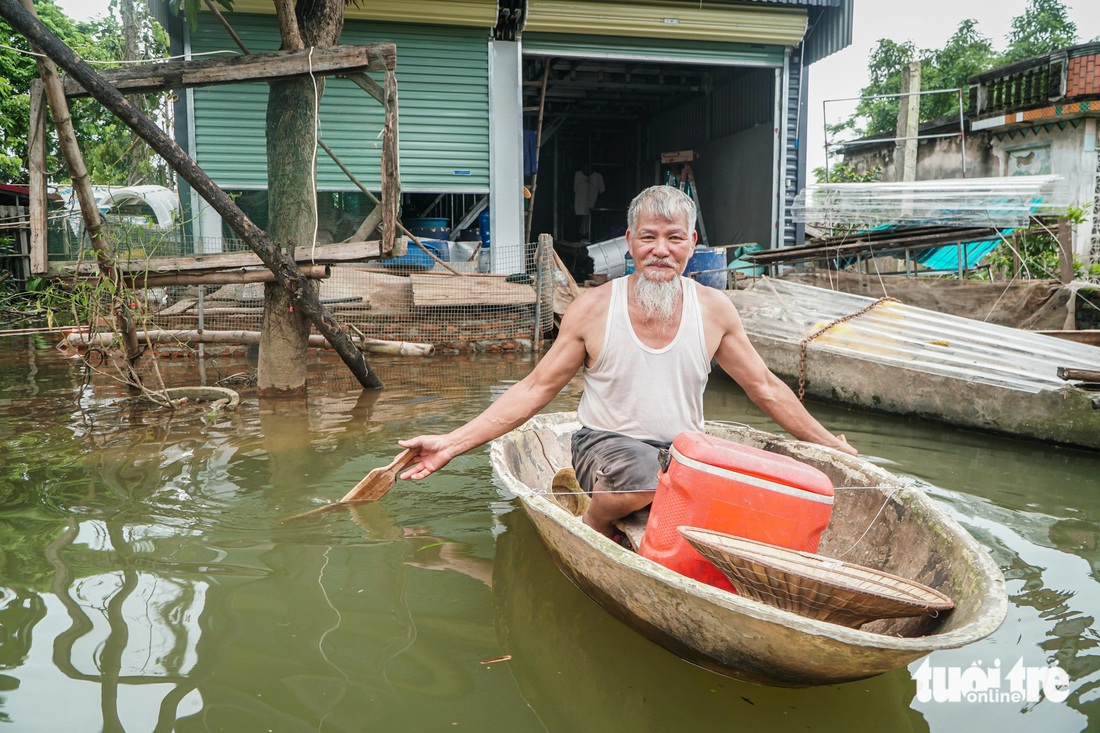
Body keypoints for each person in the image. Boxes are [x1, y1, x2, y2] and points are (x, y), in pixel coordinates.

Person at [399, 185, 856, 537]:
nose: (661, 250)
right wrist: (453, 443)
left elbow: (767, 388)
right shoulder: (594, 308)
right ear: (629, 242)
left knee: (760, 493)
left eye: (674, 238)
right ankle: (593, 526)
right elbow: (535, 389)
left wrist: (830, 447)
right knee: (642, 483)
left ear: (692, 243)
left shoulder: (714, 309)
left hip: (682, 452)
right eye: (648, 237)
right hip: (605, 445)